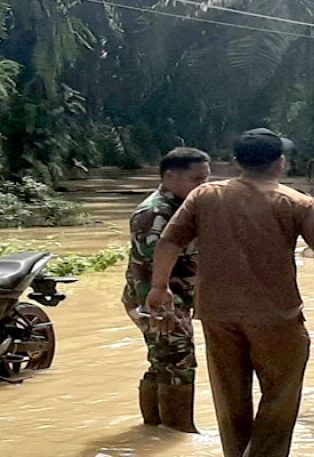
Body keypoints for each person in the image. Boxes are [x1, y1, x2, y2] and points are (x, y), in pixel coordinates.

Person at [145, 128, 314, 457]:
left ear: (236, 163)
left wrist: (159, 288)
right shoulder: (296, 202)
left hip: (217, 314)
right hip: (276, 315)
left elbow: (169, 241)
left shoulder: (205, 196)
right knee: (281, 393)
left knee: (230, 395)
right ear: (280, 163)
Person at [122, 147, 210, 433]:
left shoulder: (183, 207)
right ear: (170, 177)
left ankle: (154, 431)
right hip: (159, 300)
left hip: (172, 298)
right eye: (197, 179)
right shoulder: (155, 212)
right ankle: (178, 433)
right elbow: (152, 262)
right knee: (178, 363)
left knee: (163, 362)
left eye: (206, 179)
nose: (204, 186)